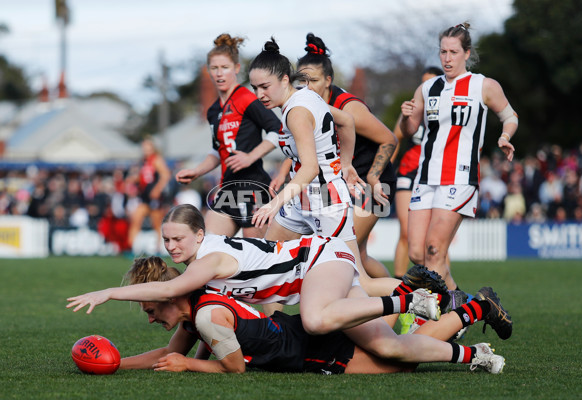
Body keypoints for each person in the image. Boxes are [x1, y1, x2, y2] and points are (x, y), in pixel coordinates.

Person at [67, 204, 512, 366]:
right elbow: (178, 346)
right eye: (166, 240)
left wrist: (107, 292)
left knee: (317, 320)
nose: (171, 246)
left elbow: (166, 293)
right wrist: (116, 364)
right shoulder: (198, 277)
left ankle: (409, 298)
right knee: (389, 350)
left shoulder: (204, 265)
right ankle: (470, 313)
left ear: (198, 237)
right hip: (310, 273)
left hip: (320, 258)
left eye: (177, 238)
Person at [114, 256, 506, 374]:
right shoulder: (192, 311)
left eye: (150, 309)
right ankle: (471, 308)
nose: (149, 317)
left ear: (167, 297)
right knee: (397, 350)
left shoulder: (205, 316)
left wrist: (191, 364)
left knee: (397, 356)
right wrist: (115, 364)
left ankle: (464, 319)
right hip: (304, 336)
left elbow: (234, 367)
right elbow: (163, 355)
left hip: (314, 342)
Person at [248, 37, 401, 298]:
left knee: (358, 282)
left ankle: (435, 295)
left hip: (327, 200)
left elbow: (309, 168)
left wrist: (273, 204)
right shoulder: (304, 97)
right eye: (254, 87)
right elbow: (345, 121)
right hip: (304, 199)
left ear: (285, 80)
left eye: (264, 86)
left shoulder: (296, 111)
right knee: (268, 266)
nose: (259, 94)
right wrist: (346, 163)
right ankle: (275, 332)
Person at [399, 23, 518, 290]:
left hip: (459, 177)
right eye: (443, 52)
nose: (447, 58)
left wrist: (505, 137)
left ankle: (441, 320)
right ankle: (458, 301)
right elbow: (410, 131)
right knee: (417, 253)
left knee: (433, 250)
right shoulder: (427, 88)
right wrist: (407, 117)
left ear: (466, 53)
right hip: (426, 176)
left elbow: (510, 116)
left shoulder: (482, 85)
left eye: (453, 52)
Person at [176, 33, 281, 239]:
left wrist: (250, 156)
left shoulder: (245, 98)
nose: (219, 73)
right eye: (214, 68)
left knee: (255, 259)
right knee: (207, 249)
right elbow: (218, 149)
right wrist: (197, 171)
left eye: (225, 67)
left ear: (237, 68)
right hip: (227, 189)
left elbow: (277, 129)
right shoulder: (213, 110)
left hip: (253, 188)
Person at [392, 67, 445, 279]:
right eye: (423, 83)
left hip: (437, 175)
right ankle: (397, 287)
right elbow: (395, 138)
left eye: (431, 82)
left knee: (436, 239)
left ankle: (441, 285)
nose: (426, 87)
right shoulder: (413, 107)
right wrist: (384, 169)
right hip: (409, 172)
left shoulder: (449, 108)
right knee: (406, 232)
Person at [127, 137, 171, 253]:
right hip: (144, 196)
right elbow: (144, 177)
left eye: (147, 146)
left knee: (156, 223)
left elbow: (165, 175)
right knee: (136, 219)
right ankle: (132, 248)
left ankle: (160, 248)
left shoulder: (156, 159)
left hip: (154, 197)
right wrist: (134, 180)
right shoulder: (143, 161)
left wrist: (157, 189)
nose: (145, 149)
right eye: (144, 147)